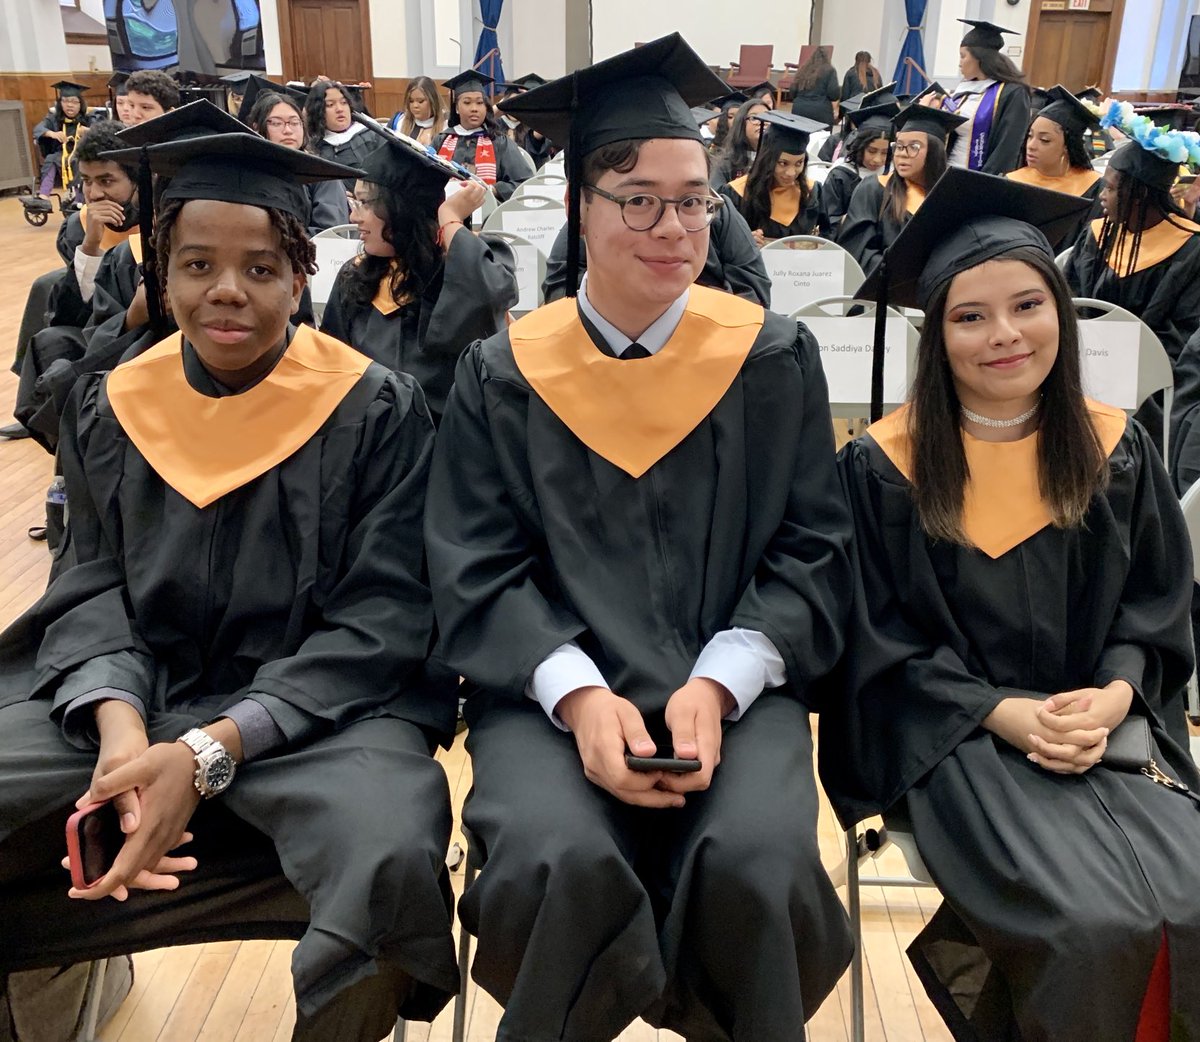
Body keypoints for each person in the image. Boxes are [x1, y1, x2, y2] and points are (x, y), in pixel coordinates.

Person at [427, 33, 854, 1041]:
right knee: (552, 857)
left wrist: (721, 679)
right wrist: (576, 695)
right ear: (580, 206)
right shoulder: (502, 375)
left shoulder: (770, 359)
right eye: (640, 199)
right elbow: (474, 566)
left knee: (759, 858)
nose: (675, 227)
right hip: (547, 698)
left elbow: (814, 549)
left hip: (734, 693)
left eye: (695, 198)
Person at [0, 126, 460, 1042]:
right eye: (197, 264)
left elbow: (383, 616)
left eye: (260, 268)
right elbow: (87, 583)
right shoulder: (114, 403)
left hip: (316, 720)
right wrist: (122, 730)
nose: (226, 290)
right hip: (141, 693)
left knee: (388, 849)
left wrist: (213, 747)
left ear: (299, 277)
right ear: (161, 278)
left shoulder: (374, 409)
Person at [825, 166, 1200, 1042]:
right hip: (958, 739)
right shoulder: (886, 470)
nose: (1006, 336)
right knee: (1088, 924)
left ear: (1061, 315)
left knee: (1187, 901)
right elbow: (876, 645)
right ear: (937, 336)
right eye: (970, 316)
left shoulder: (1119, 450)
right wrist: (1001, 713)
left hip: (1107, 726)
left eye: (1029, 306)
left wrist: (1112, 695)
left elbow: (1153, 612)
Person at [320, 133, 518, 424]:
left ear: (400, 206)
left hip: (452, 440)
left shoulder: (465, 265)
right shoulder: (357, 276)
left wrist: (450, 218)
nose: (353, 216)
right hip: (372, 442)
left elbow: (489, 298)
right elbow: (330, 366)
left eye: (363, 203)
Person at [1064, 105, 1200, 367]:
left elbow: (1183, 335)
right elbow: (1070, 300)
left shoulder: (1190, 250)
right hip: (1081, 360)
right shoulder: (1098, 234)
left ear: (1140, 196)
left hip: (1151, 376)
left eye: (1111, 189)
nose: (1101, 196)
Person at [541, 183, 772, 306]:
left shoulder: (721, 213)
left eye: (691, 201)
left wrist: (693, 304)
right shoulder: (593, 221)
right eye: (638, 200)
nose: (672, 228)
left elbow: (754, 291)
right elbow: (560, 289)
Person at [839, 104, 964, 278]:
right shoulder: (873, 189)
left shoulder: (950, 197)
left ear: (935, 152)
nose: (902, 154)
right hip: (884, 295)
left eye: (914, 147)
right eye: (899, 146)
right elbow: (857, 251)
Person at [241, 77, 350, 234]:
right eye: (277, 123)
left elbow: (330, 232)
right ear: (257, 128)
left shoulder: (322, 174)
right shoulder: (247, 172)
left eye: (294, 122)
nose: (288, 130)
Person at [1006, 84, 1103, 250]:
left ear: (1068, 146)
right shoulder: (1011, 182)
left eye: (1044, 140)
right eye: (1030, 136)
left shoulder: (1093, 189)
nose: (1031, 145)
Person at [719, 111, 826, 244]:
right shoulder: (736, 193)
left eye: (799, 163)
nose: (791, 173)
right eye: (783, 163)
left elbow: (828, 232)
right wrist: (743, 240)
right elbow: (721, 239)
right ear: (767, 160)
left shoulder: (812, 191)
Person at [942, 19, 1031, 174]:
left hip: (980, 181)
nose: (959, 63)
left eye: (963, 56)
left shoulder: (1012, 93)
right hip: (948, 174)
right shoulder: (964, 89)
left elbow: (1007, 148)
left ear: (979, 57)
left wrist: (983, 183)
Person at [432, 71, 530, 201]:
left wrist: (493, 190)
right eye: (467, 103)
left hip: (489, 215)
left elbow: (524, 182)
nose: (474, 108)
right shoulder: (441, 140)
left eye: (479, 103)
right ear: (456, 108)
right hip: (446, 212)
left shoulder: (499, 141)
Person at [818, 85, 898, 237]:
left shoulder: (893, 175)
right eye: (872, 151)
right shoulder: (841, 175)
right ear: (859, 146)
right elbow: (827, 221)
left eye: (885, 153)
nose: (877, 159)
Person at [306, 80, 381, 188]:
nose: (340, 109)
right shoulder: (312, 146)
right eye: (330, 105)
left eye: (344, 102)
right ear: (318, 111)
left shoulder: (372, 136)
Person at [33, 81, 98, 200]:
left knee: (78, 161)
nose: (69, 105)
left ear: (80, 104)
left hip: (83, 154)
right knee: (50, 159)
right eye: (65, 101)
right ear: (60, 103)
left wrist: (87, 131)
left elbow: (100, 131)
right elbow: (38, 128)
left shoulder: (90, 117)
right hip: (61, 155)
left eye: (74, 101)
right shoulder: (54, 118)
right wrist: (52, 133)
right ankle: (43, 196)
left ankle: (79, 199)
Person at [499, 74, 557, 169]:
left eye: (521, 102)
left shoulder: (533, 128)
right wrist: (500, 104)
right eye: (511, 102)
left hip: (530, 179)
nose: (515, 107)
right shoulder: (497, 125)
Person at [709, 97, 769, 188]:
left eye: (767, 117)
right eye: (754, 117)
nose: (761, 122)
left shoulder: (777, 160)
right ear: (741, 123)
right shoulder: (724, 164)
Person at [389, 75, 447, 146]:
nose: (415, 106)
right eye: (411, 101)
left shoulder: (446, 125)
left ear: (433, 101)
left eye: (420, 101)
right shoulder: (399, 121)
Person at [790, 47, 839, 125]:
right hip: (821, 111)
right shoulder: (830, 70)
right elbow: (834, 95)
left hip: (799, 110)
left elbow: (792, 92)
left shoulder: (803, 69)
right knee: (822, 136)